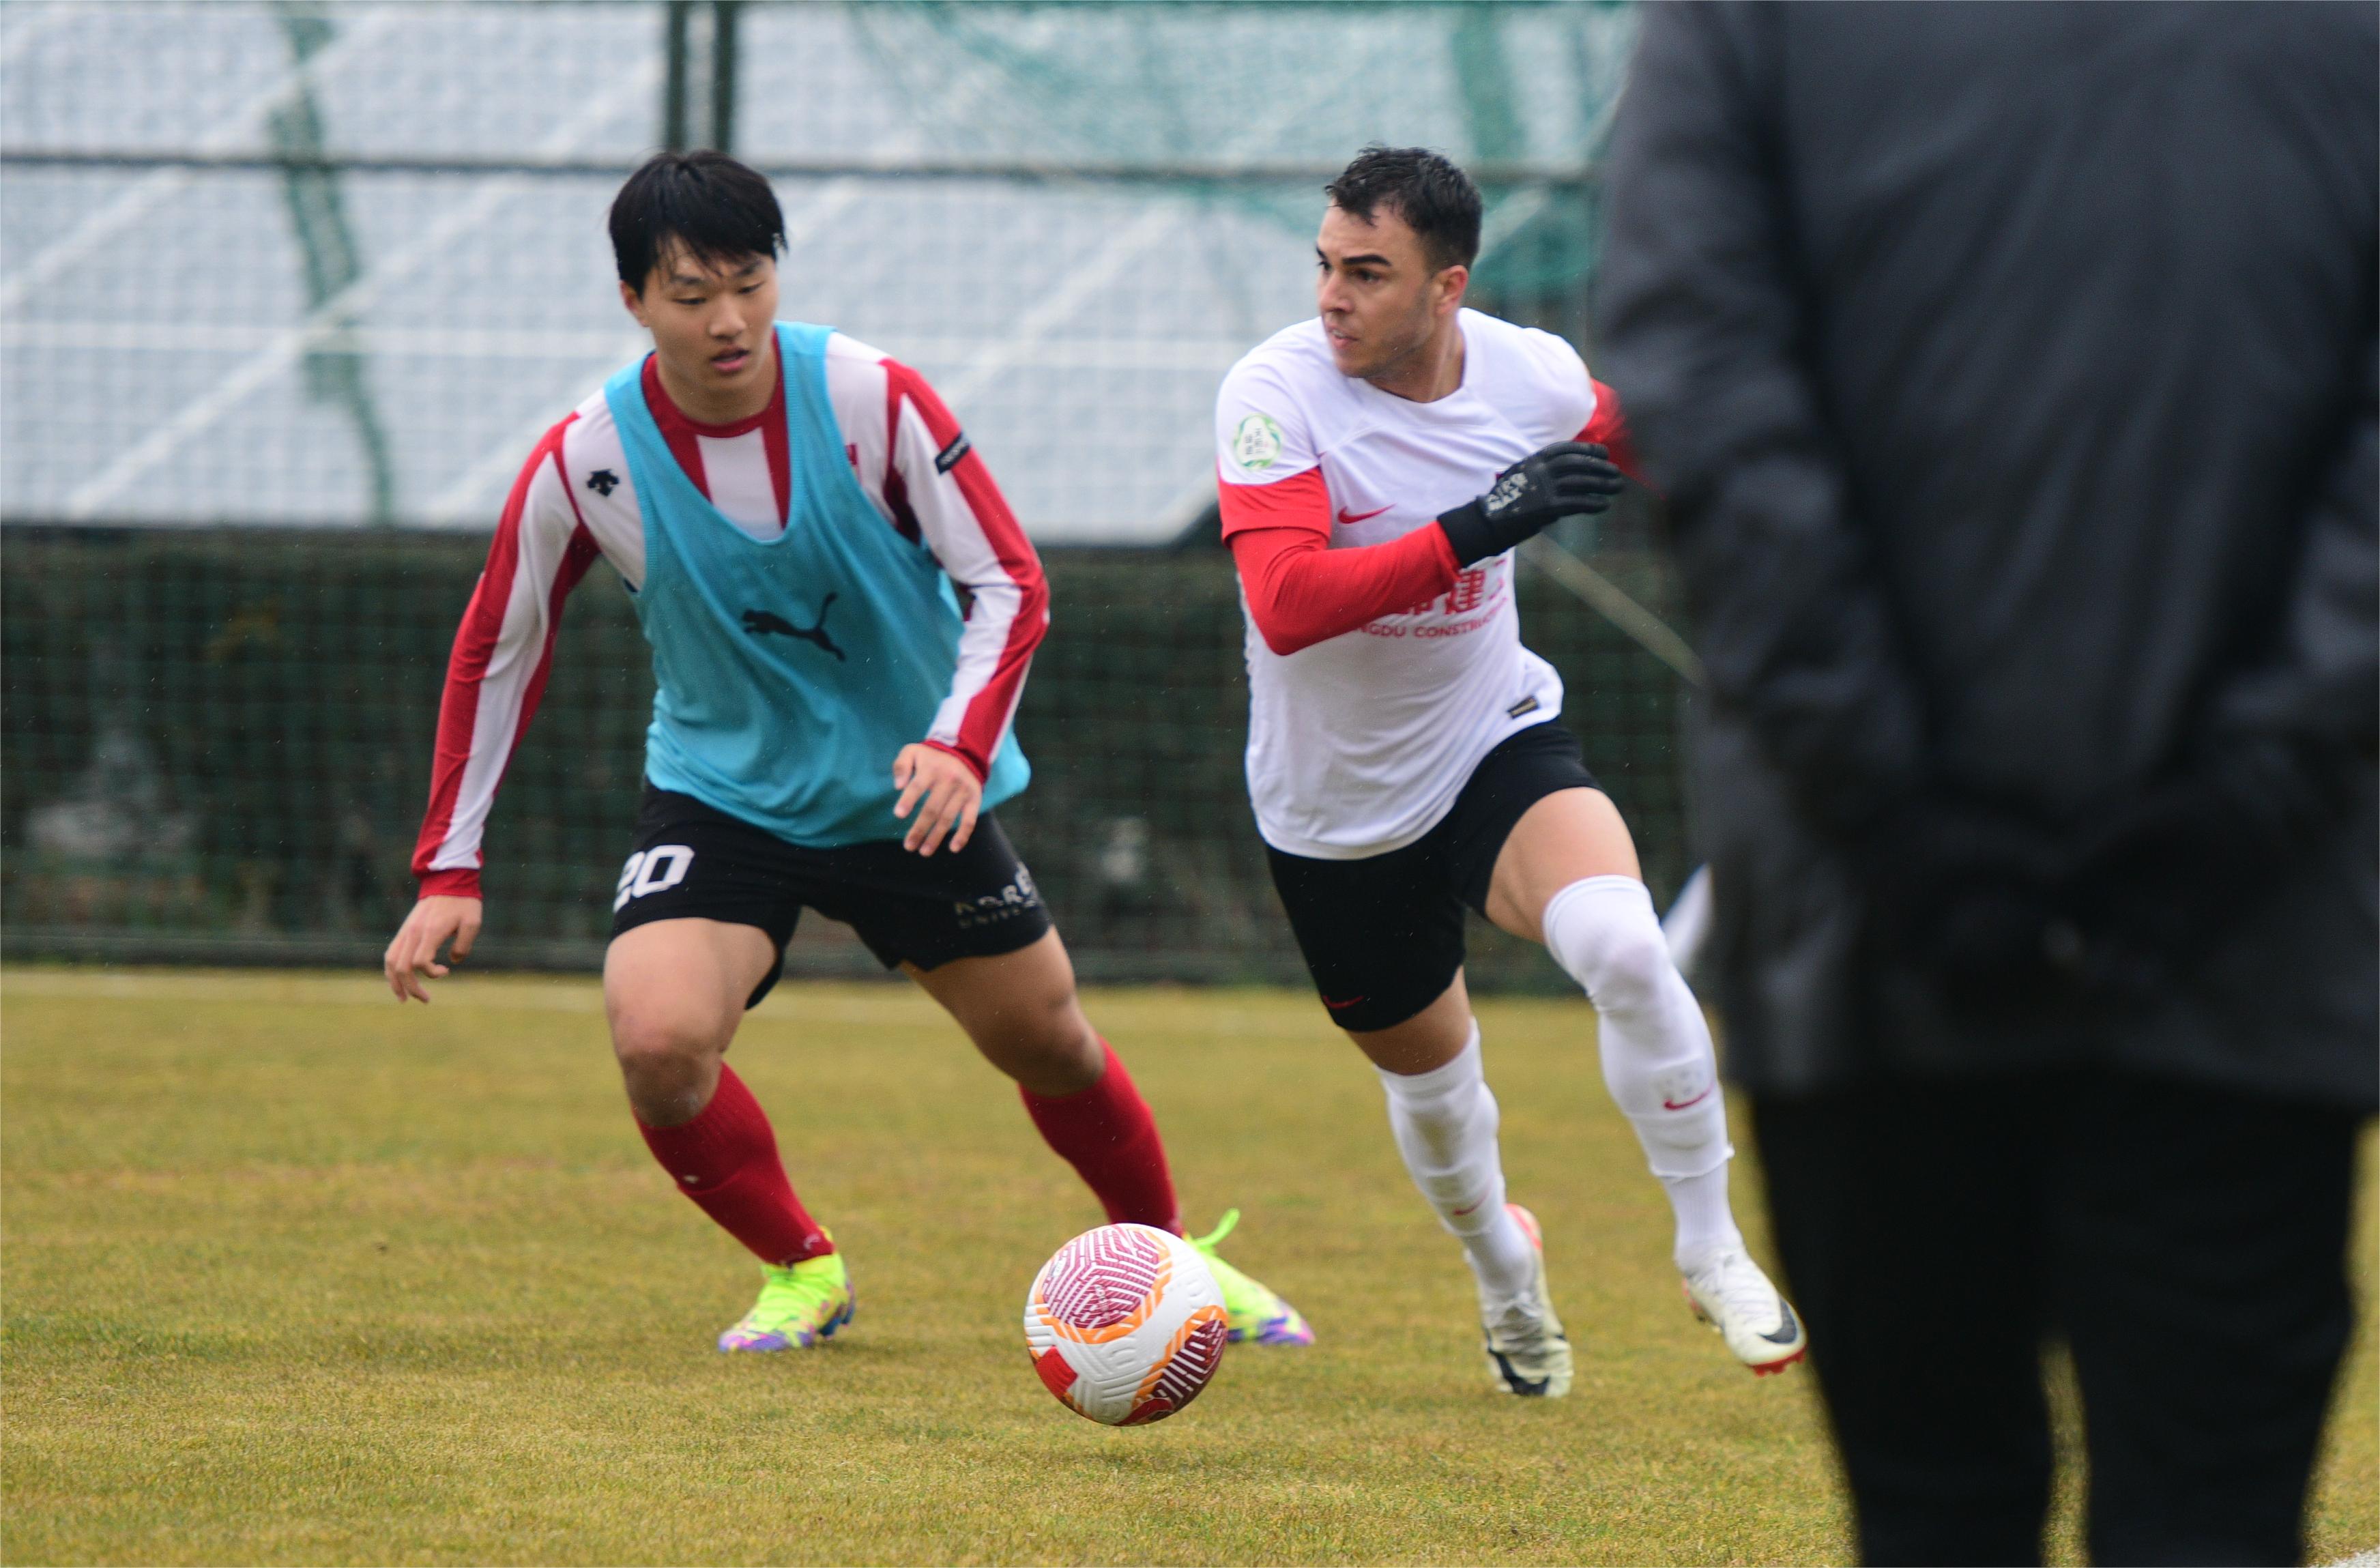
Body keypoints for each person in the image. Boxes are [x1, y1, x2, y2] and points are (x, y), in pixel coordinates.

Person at [1596, 5, 2376, 1564]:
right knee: (2209, 1517)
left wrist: (1888, 811)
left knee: (1936, 1509)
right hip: (2245, 938)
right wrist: (2253, 782)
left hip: (1869, 932)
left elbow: (1705, 392)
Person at [384, 150, 1309, 1356]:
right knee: (657, 1040)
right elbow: (496, 648)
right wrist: (449, 869)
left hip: (913, 796)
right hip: (725, 799)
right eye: (689, 294)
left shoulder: (872, 400)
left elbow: (1009, 583)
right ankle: (801, 1270)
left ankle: (1172, 1258)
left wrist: (958, 746)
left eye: (749, 281)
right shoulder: (587, 459)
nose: (728, 320)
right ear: (632, 302)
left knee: (1049, 1039)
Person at [1210, 145, 1805, 1399]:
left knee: (1630, 948)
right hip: (1335, 815)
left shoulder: (1526, 371)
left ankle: (1713, 1248)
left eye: (1368, 273)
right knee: (1440, 1098)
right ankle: (1502, 1270)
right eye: (1325, 265)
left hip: (1493, 739)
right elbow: (1286, 603)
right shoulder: (1273, 393)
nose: (1332, 297)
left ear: (1448, 287)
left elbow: (1648, 441)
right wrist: (1483, 523)